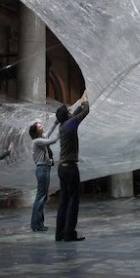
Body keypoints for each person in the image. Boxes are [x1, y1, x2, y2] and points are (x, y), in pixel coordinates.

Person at [55, 92, 89, 242]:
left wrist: (81, 102)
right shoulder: (70, 124)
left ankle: (60, 233)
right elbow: (84, 114)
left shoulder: (63, 126)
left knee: (63, 201)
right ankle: (69, 233)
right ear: (67, 114)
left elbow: (74, 115)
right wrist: (86, 104)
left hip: (62, 168)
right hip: (70, 168)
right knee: (73, 200)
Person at [29, 121, 59, 232]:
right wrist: (62, 130)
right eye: (40, 126)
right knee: (40, 197)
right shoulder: (37, 141)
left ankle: (39, 223)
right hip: (42, 169)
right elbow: (53, 140)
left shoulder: (40, 140)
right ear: (36, 131)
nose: (42, 126)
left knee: (43, 197)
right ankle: (36, 224)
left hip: (44, 168)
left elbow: (48, 134)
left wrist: (56, 123)